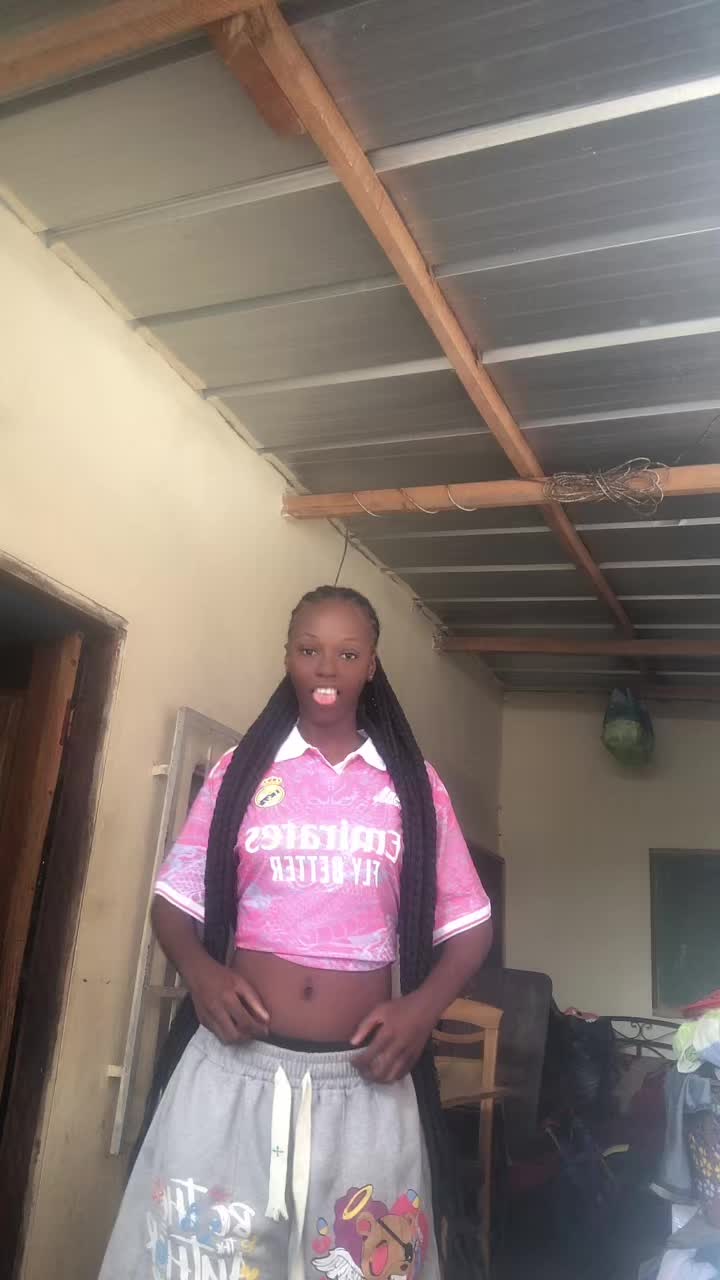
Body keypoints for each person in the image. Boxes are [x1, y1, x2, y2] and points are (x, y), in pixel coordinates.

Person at [99, 585, 492, 1280]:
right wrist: (201, 972)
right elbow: (173, 903)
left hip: (366, 1085)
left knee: (362, 1264)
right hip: (233, 1076)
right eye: (310, 650)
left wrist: (421, 1010)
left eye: (348, 653)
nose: (327, 668)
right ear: (287, 657)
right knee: (203, 1264)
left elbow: (471, 930)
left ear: (372, 665)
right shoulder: (243, 772)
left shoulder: (411, 786)